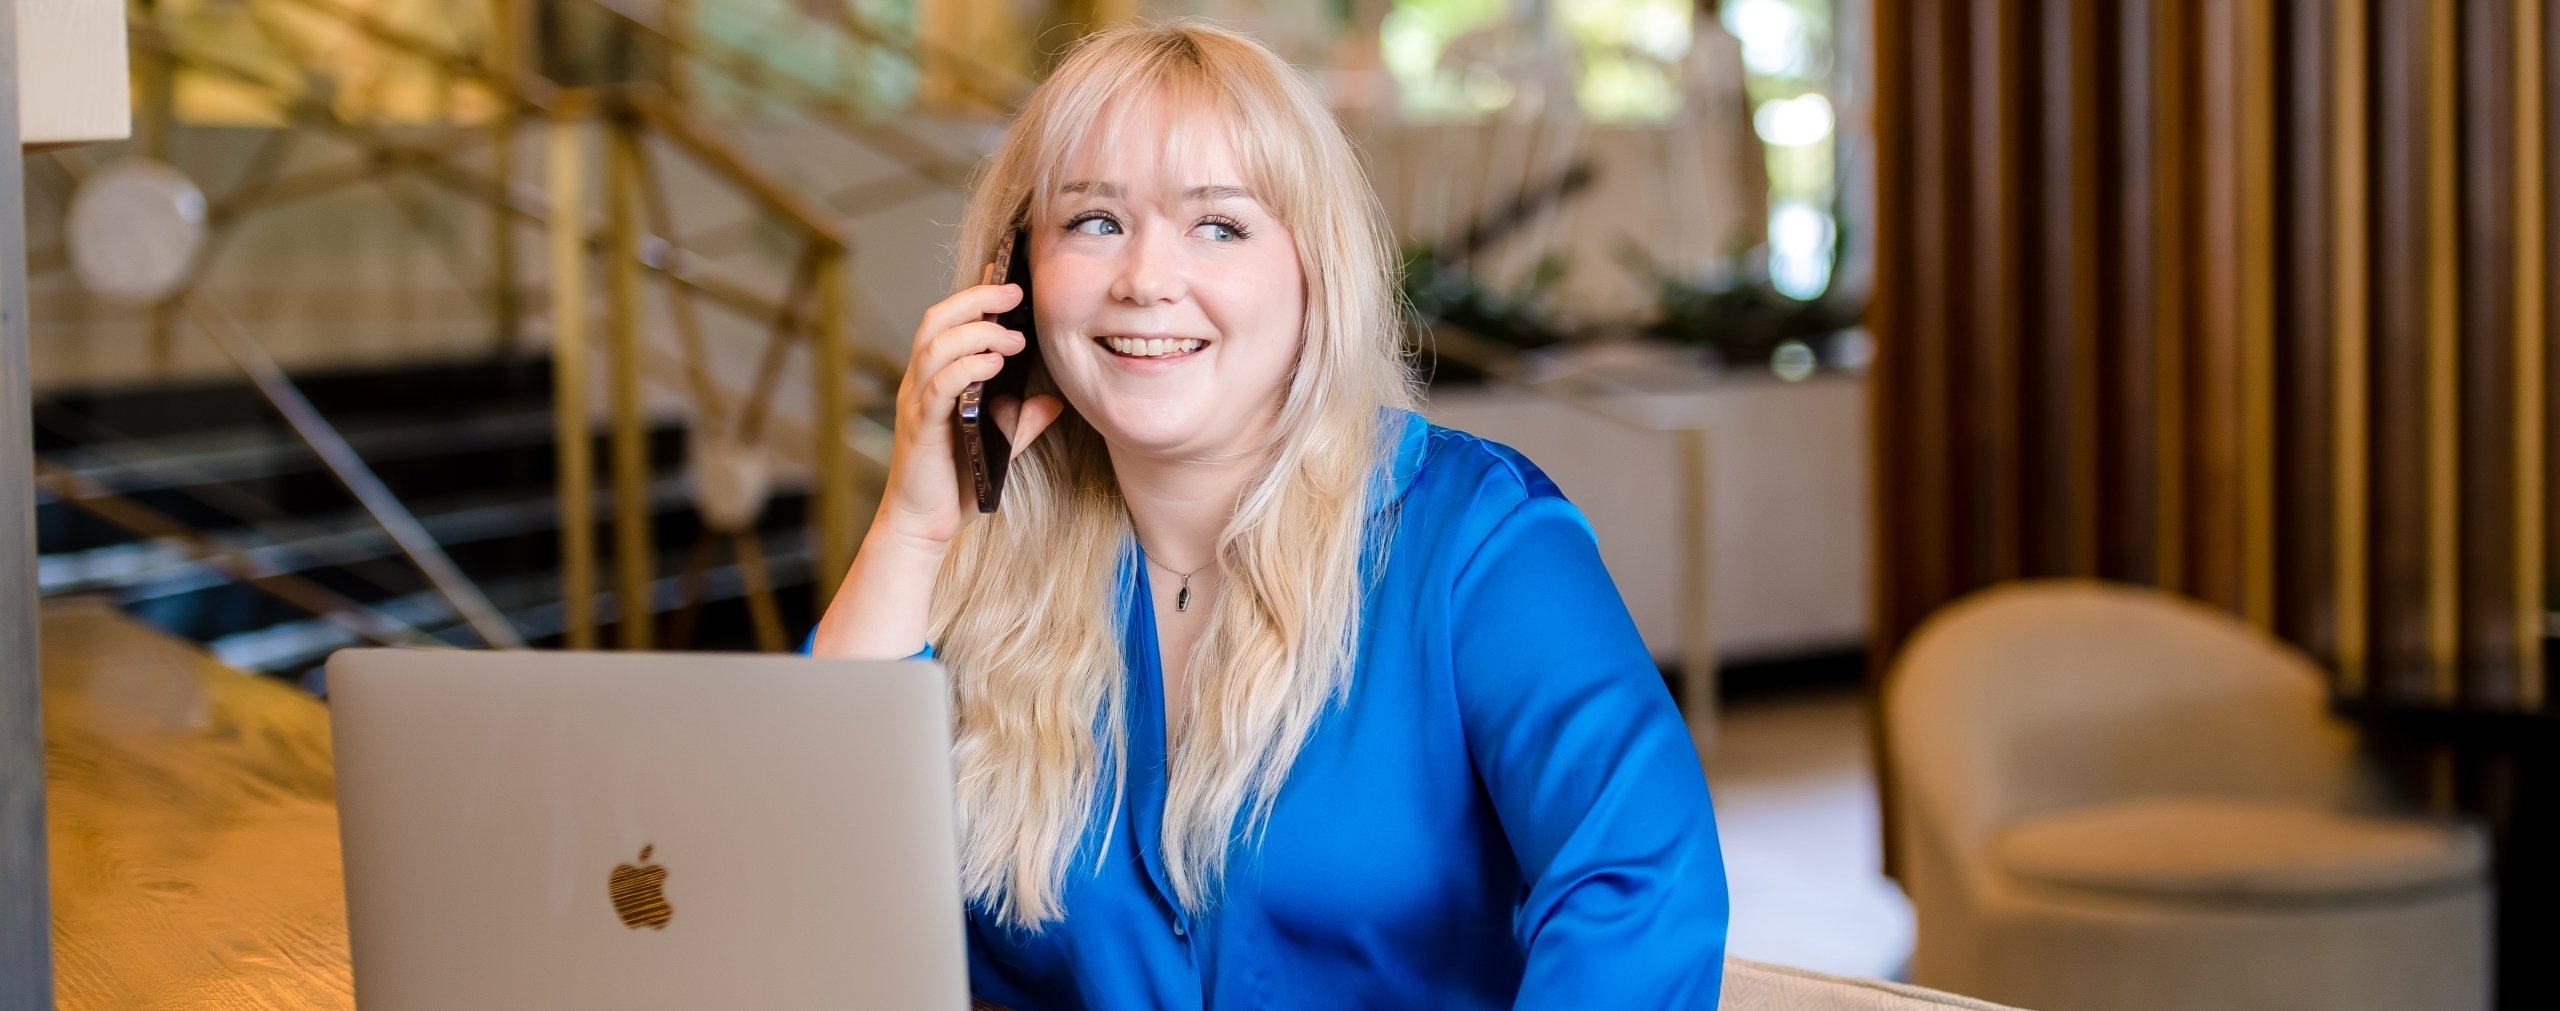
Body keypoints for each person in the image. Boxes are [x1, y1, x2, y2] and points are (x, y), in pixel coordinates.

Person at [810, 20, 1728, 1009]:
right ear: (1015, 282)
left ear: (1310, 275)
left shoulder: (1476, 542)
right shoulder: (988, 567)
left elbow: (1640, 889)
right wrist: (909, 529)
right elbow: (803, 882)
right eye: (1093, 221)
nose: (1145, 279)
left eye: (1219, 225)